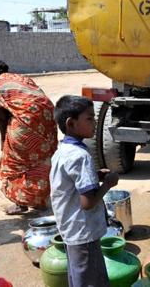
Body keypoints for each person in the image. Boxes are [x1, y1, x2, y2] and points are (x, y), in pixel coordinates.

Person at [50, 95, 119, 287]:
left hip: (70, 228)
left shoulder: (62, 150)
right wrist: (108, 184)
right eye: (89, 119)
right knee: (91, 280)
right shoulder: (81, 157)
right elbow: (88, 203)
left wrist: (94, 175)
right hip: (83, 231)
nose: (95, 123)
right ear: (71, 123)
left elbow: (68, 182)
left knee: (79, 276)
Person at [0, 59, 58, 215]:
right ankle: (39, 201)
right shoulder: (22, 79)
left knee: (14, 161)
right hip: (48, 117)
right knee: (41, 160)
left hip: (27, 121)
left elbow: (1, 116)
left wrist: (4, 140)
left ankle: (20, 204)